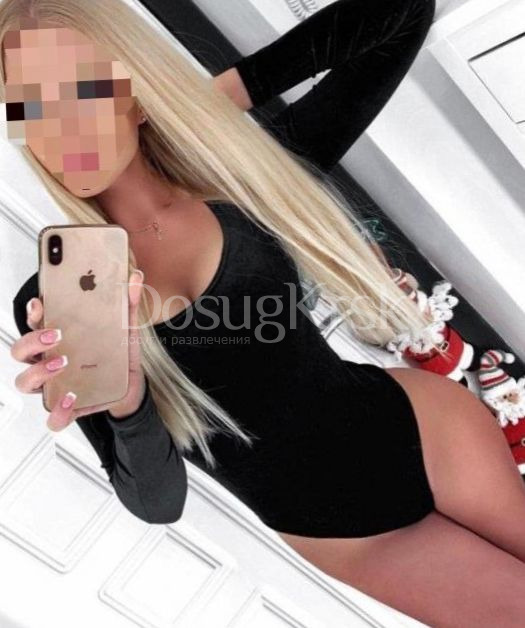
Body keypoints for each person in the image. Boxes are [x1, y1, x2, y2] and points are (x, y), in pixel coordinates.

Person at [7, 1, 525, 624]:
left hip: (424, 425)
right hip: (350, 535)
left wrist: (201, 106)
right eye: (30, 108)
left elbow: (403, 14)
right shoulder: (56, 302)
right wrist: (127, 401)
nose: (60, 131)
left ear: (134, 87)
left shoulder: (240, 181)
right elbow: (158, 503)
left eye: (79, 93)